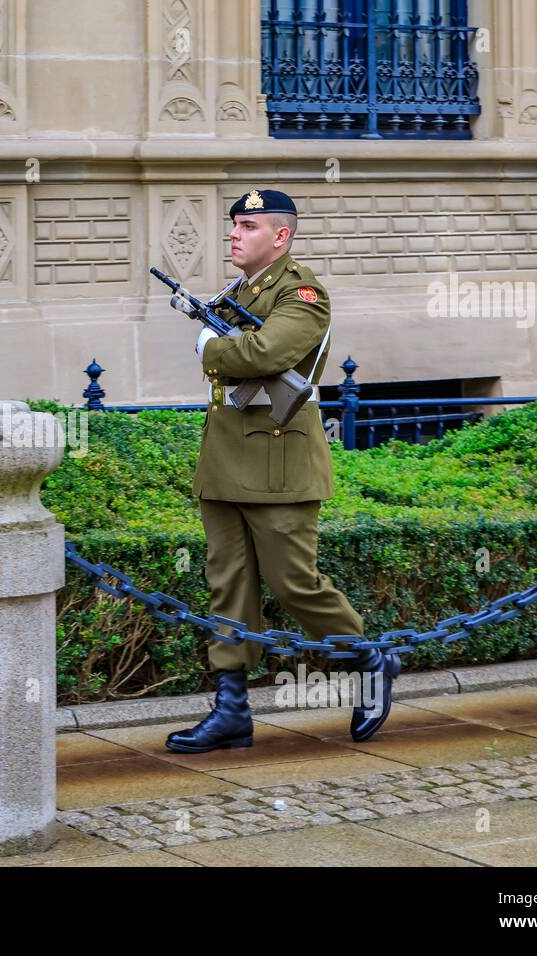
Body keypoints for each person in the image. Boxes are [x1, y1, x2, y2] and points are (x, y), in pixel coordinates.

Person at [164, 187, 399, 754]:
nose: (234, 234)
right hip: (224, 460)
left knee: (294, 582)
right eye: (235, 226)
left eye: (247, 226)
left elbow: (268, 354)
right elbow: (242, 353)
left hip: (277, 461)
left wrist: (208, 347)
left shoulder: (303, 292)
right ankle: (232, 710)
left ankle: (369, 661)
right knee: (228, 586)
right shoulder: (235, 293)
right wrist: (214, 333)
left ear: (281, 236)